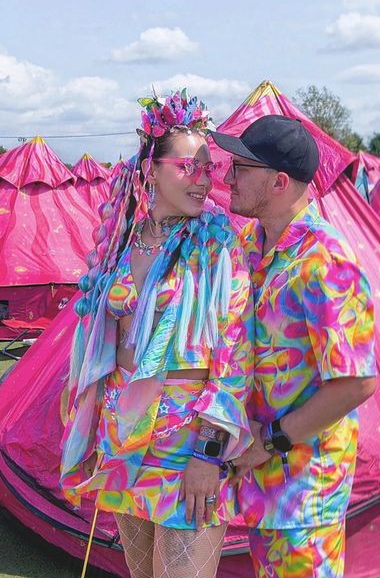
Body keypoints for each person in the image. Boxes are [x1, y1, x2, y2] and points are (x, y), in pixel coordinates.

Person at [60, 90, 254, 578]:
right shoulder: (124, 237)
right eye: (189, 167)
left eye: (209, 169)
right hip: (123, 436)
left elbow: (234, 356)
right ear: (151, 169)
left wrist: (210, 453)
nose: (204, 180)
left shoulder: (218, 243)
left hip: (186, 444)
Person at [211, 115, 377, 578]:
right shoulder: (249, 242)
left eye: (240, 168)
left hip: (306, 493)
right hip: (265, 486)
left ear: (279, 182)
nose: (227, 178)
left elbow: (357, 383)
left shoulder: (327, 262)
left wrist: (269, 441)